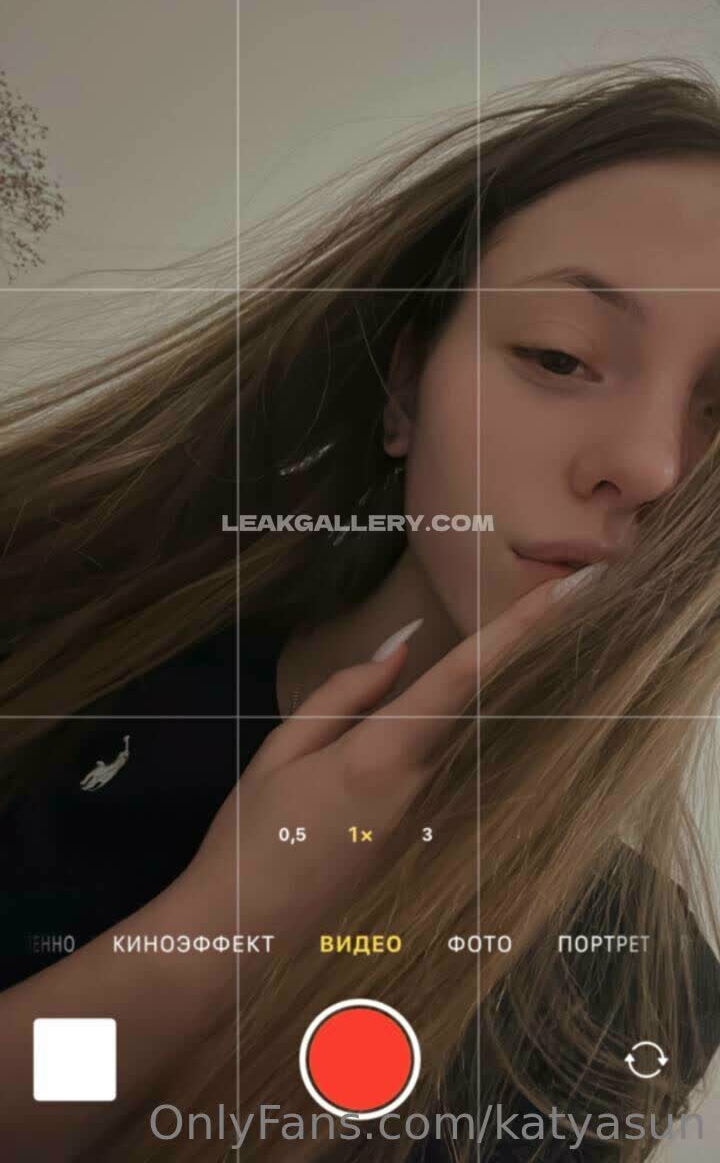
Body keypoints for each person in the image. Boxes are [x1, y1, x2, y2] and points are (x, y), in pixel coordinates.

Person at [1, 58, 720, 1162]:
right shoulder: (68, 635)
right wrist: (227, 920)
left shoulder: (631, 979)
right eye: (560, 355)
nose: (650, 464)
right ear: (403, 393)